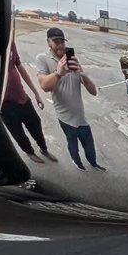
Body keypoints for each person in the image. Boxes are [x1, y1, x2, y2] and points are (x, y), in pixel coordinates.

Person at [36, 26, 99, 168]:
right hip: (65, 118)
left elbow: (93, 91)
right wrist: (58, 73)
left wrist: (82, 73)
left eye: (62, 42)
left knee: (90, 147)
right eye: (56, 42)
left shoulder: (72, 60)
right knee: (73, 144)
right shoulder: (43, 59)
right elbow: (44, 86)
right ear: (48, 42)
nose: (60, 45)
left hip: (81, 117)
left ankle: (94, 164)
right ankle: (77, 164)